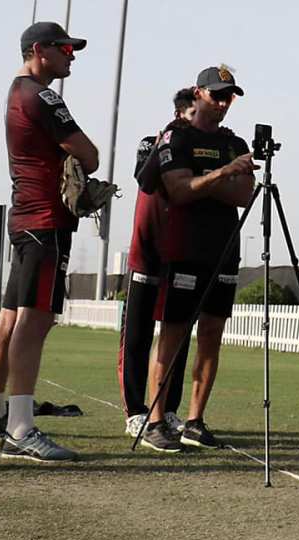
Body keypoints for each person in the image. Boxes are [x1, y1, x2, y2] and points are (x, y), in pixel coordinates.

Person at [0, 22, 98, 462]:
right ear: (40, 50)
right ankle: (20, 429)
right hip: (45, 219)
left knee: (10, 318)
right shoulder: (41, 95)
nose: (71, 56)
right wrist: (77, 161)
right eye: (65, 48)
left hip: (25, 216)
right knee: (36, 320)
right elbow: (90, 154)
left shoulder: (18, 91)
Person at [141, 66, 257, 452]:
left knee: (211, 335)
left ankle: (195, 421)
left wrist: (204, 179)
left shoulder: (235, 142)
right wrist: (223, 174)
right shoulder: (177, 135)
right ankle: (156, 422)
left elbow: (244, 195)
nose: (224, 103)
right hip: (184, 248)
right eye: (217, 95)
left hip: (224, 250)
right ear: (198, 93)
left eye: (229, 96)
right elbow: (178, 190)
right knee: (173, 335)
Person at [118, 88, 196, 438]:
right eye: (194, 114)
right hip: (146, 251)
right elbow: (145, 178)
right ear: (180, 114)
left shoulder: (203, 149)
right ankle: (136, 411)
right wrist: (169, 138)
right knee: (137, 336)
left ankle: (168, 409)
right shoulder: (152, 142)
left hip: (182, 253)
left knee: (177, 337)